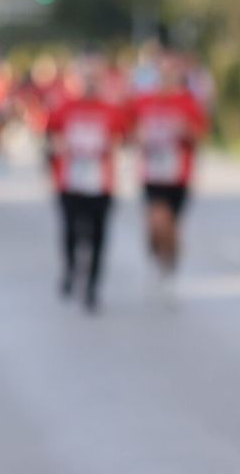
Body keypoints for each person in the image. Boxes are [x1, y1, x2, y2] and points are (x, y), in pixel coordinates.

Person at [46, 64, 130, 312]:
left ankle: (93, 287)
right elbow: (50, 136)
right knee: (71, 231)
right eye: (86, 79)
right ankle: (71, 270)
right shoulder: (64, 108)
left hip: (100, 183)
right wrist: (61, 149)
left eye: (95, 79)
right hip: (70, 181)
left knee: (98, 236)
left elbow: (124, 140)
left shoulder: (111, 111)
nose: (90, 84)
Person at [130, 51, 211, 278]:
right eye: (162, 72)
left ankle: (170, 261)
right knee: (158, 220)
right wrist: (139, 137)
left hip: (178, 173)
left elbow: (201, 136)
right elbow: (127, 133)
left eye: (171, 72)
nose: (166, 77)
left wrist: (186, 131)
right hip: (152, 172)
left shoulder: (188, 102)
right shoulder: (143, 101)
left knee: (172, 226)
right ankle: (156, 249)